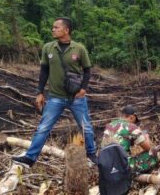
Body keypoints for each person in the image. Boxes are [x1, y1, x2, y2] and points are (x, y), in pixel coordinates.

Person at [12, 17, 97, 167]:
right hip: (55, 97)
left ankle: (91, 155)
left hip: (76, 97)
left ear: (66, 30)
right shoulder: (48, 48)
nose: (53, 29)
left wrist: (83, 89)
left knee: (86, 127)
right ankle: (30, 158)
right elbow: (44, 71)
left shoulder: (79, 48)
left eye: (56, 27)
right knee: (43, 128)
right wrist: (39, 92)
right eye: (53, 27)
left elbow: (87, 70)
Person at [101, 105, 159, 174]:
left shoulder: (109, 125)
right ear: (132, 117)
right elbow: (148, 148)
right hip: (121, 167)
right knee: (153, 153)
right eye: (135, 120)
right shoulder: (131, 127)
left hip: (105, 166)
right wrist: (146, 136)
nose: (135, 123)